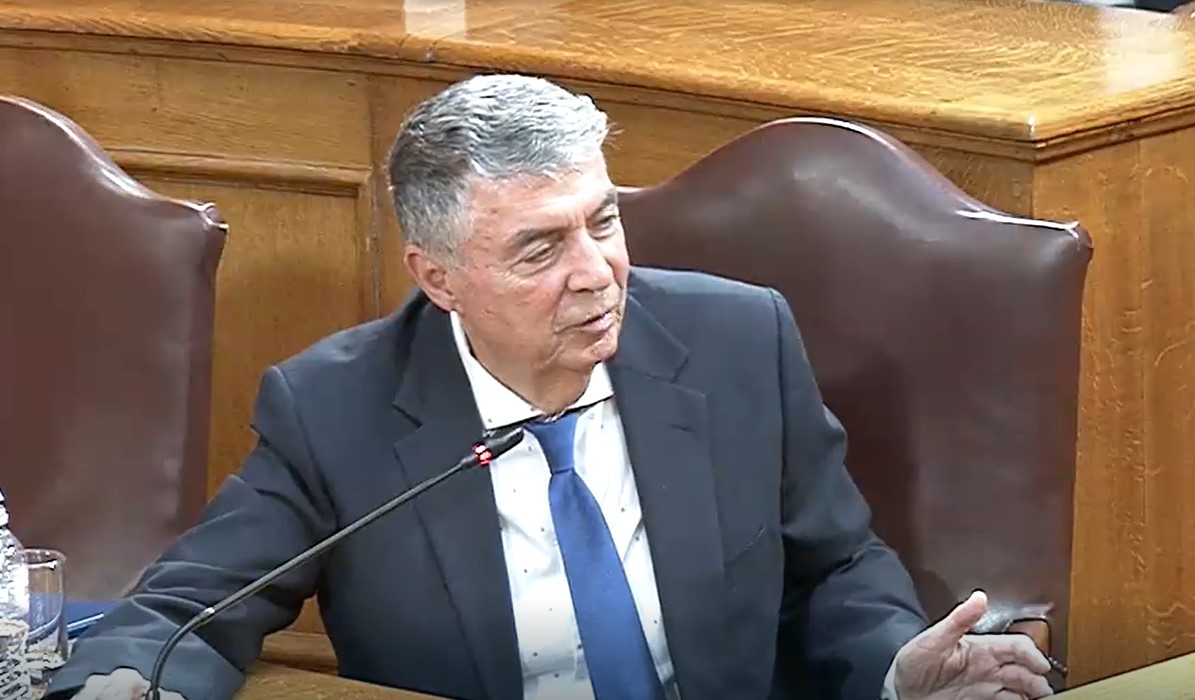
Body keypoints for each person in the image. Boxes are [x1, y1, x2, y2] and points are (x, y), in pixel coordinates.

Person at [47, 74, 1054, 700]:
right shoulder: (335, 409)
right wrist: (127, 682)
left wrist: (894, 670)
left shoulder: (738, 342)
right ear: (438, 278)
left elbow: (837, 566)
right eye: (539, 249)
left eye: (602, 223)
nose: (595, 274)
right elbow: (185, 608)